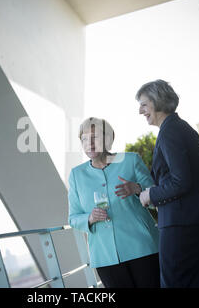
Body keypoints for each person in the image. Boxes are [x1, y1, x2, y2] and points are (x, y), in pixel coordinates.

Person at [136, 79, 199, 288]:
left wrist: (151, 194)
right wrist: (187, 191)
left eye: (144, 104)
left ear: (157, 102)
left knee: (175, 283)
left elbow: (181, 181)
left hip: (179, 222)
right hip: (194, 218)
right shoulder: (182, 126)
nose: (140, 111)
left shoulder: (169, 132)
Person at [68, 117, 160, 288]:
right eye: (84, 139)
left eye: (94, 137)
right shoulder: (76, 175)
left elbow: (158, 200)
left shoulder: (130, 161)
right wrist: (89, 218)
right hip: (105, 257)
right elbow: (73, 218)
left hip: (142, 248)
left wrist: (138, 188)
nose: (90, 143)